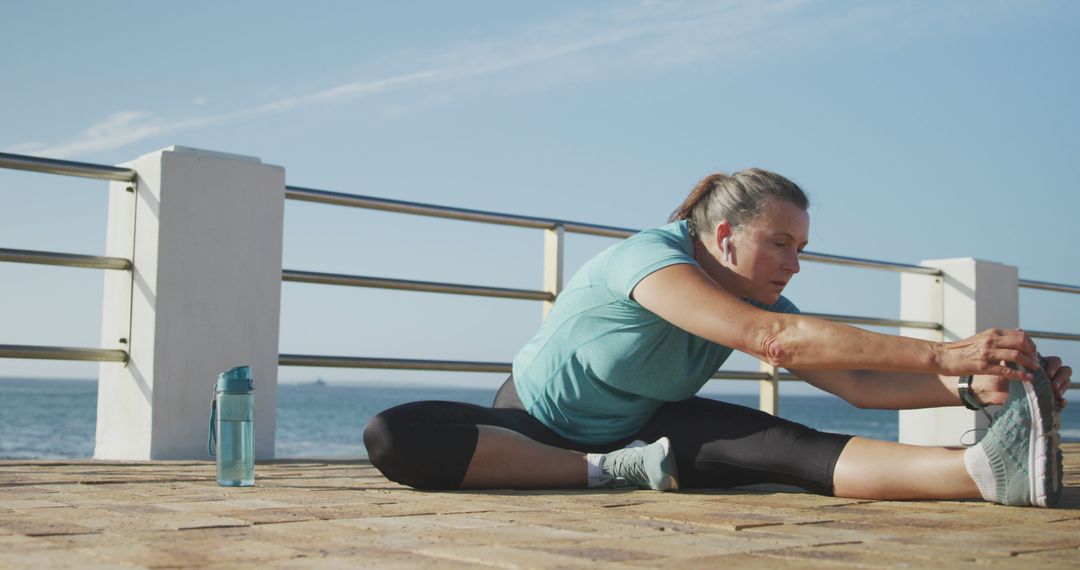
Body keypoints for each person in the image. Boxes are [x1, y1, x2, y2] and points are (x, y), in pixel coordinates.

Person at [364, 169, 1072, 507]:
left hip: (647, 432)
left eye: (803, 249)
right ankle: (608, 472)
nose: (794, 264)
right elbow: (774, 340)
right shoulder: (650, 260)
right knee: (397, 435)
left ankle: (984, 471)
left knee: (791, 446)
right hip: (530, 427)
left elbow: (856, 386)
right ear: (726, 236)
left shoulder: (763, 295)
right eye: (781, 244)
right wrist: (944, 351)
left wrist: (973, 387)